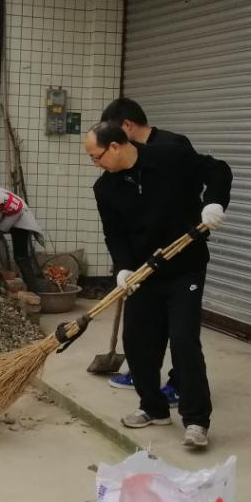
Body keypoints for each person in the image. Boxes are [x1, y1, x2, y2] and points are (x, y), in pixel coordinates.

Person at [84, 121, 232, 448]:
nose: (94, 163)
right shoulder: (105, 189)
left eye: (96, 156)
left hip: (185, 267)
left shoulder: (170, 156)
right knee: (137, 341)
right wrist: (123, 269)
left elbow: (218, 169)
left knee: (183, 340)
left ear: (115, 146)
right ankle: (153, 408)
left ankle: (196, 421)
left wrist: (214, 202)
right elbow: (114, 234)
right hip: (143, 272)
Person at [100, 98, 194, 403]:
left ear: (127, 126)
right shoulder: (126, 161)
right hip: (142, 257)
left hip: (176, 254)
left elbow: (187, 194)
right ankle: (142, 373)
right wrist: (123, 263)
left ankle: (180, 383)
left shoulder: (173, 146)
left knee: (178, 329)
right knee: (142, 325)